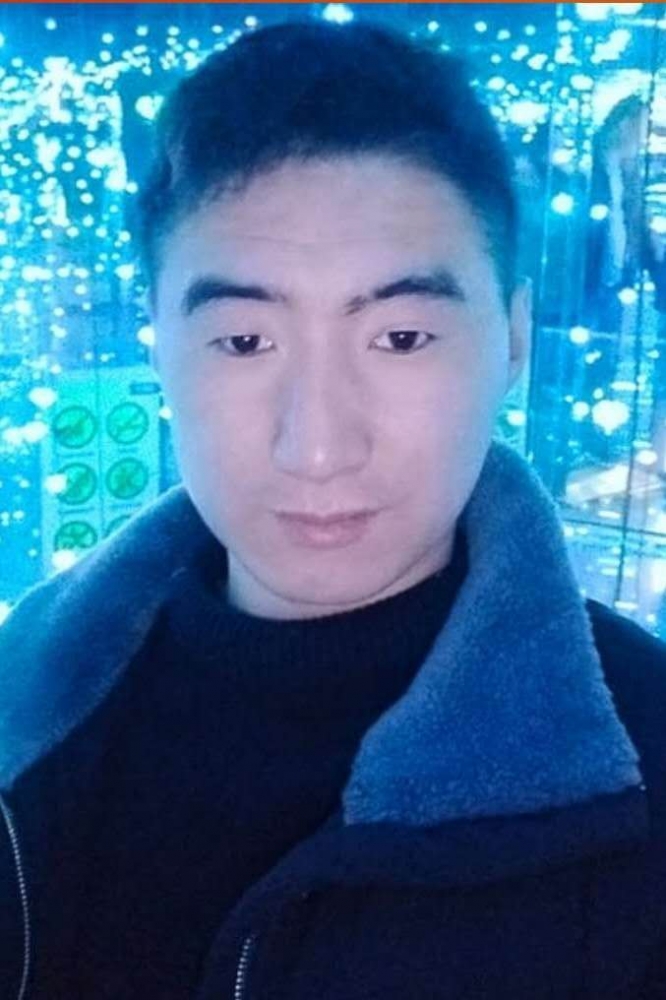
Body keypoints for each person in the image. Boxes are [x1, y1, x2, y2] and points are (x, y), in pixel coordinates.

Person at [1, 20, 665, 1000]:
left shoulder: (643, 767)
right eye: (243, 342)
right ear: (159, 343)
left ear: (514, 341)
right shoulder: (23, 698)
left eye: (401, 337)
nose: (316, 448)